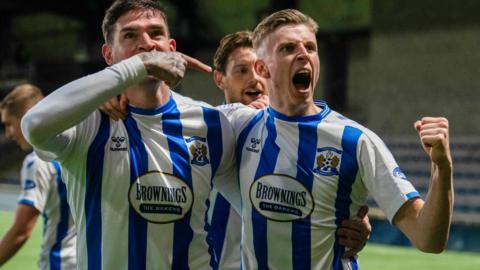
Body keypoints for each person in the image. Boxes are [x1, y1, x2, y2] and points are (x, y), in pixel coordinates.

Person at [218, 9, 453, 269]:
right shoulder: (240, 126)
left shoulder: (356, 140)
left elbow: (428, 238)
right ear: (262, 68)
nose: (303, 54)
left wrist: (442, 168)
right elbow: (173, 120)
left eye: (310, 47)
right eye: (287, 48)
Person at [21, 1, 238, 269]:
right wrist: (138, 66)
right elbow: (33, 125)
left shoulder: (210, 122)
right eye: (130, 35)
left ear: (171, 48)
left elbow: (248, 210)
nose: (146, 43)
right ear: (108, 55)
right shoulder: (86, 121)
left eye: (156, 33)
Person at [210, 30, 372, 269]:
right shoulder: (203, 134)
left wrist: (357, 225)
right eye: (242, 70)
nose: (254, 79)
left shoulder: (300, 142)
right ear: (220, 79)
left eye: (260, 68)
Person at [0, 84, 76, 270]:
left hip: (61, 263)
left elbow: (22, 230)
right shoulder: (78, 147)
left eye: (9, 124)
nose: (8, 133)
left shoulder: (37, 162)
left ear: (27, 118)